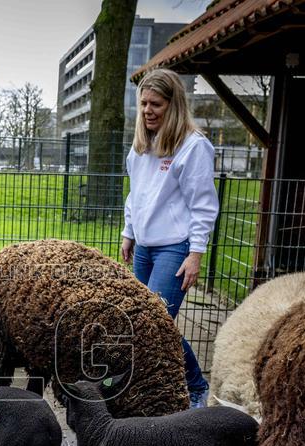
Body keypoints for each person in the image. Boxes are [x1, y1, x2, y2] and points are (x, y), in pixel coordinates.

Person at [120, 68, 217, 409]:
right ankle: (153, 389)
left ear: (173, 105)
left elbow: (203, 205)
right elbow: (135, 195)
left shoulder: (194, 147)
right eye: (144, 103)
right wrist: (129, 233)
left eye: (156, 104)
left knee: (154, 323)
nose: (148, 110)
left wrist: (196, 253)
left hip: (175, 249)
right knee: (140, 323)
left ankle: (196, 386)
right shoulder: (141, 148)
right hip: (144, 248)